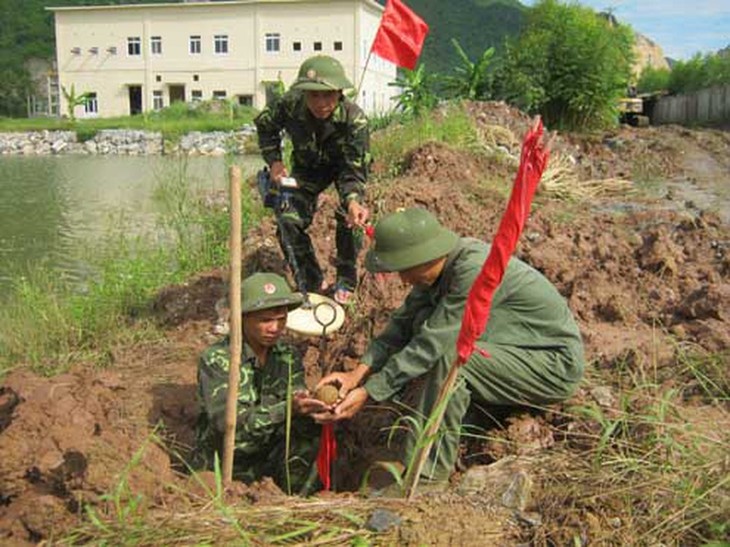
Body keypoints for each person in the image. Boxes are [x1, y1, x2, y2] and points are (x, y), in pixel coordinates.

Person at [317, 208, 585, 485]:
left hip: (553, 365)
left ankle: (426, 477)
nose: (404, 281)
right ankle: (465, 421)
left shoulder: (472, 270)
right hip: (515, 353)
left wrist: (371, 391)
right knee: (422, 320)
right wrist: (357, 374)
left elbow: (432, 344)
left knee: (453, 360)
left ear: (424, 256)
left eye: (405, 270)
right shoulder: (440, 268)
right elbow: (401, 325)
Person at [194, 272, 330, 493]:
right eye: (265, 320)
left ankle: (300, 501)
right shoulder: (217, 360)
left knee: (310, 434)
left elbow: (296, 399)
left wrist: (312, 404)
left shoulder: (287, 356)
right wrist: (286, 409)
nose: (275, 328)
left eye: (281, 319)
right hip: (227, 463)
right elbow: (228, 425)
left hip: (270, 454)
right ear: (242, 318)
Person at [254, 55, 370, 304]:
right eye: (313, 95)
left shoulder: (355, 120)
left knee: (349, 220)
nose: (320, 103)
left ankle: (346, 281)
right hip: (306, 170)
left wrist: (352, 200)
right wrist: (274, 161)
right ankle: (311, 282)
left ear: (339, 93)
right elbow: (265, 126)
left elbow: (353, 170)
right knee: (288, 220)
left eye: (327, 95)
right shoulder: (290, 105)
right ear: (303, 93)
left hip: (342, 169)